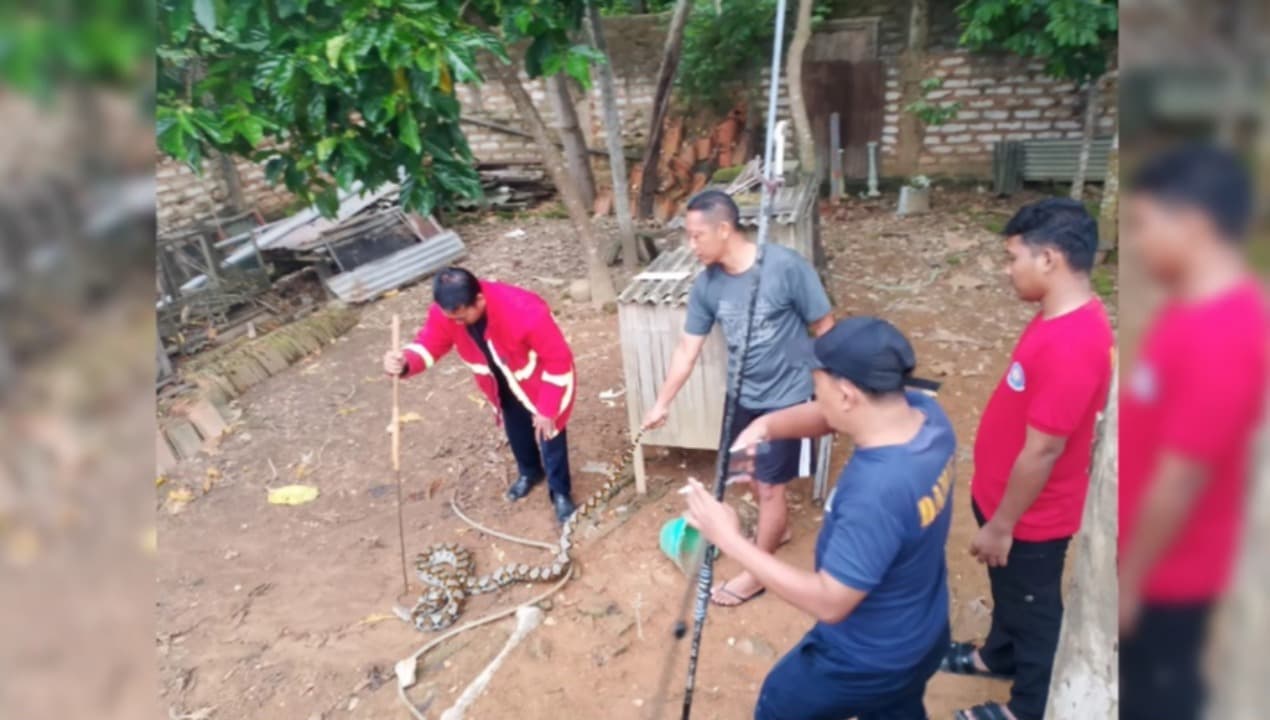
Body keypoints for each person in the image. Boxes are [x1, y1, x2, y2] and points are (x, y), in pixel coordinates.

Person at [682, 316, 955, 720]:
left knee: (780, 703)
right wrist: (766, 425)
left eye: (818, 384)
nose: (814, 391)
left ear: (847, 393)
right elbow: (831, 416)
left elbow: (830, 602)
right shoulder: (924, 415)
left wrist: (730, 540)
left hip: (863, 658)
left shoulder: (876, 492)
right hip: (922, 632)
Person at [940, 198, 1114, 720]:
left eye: (1013, 257)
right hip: (1007, 505)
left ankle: (1029, 706)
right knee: (1009, 591)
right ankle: (997, 654)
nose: (1006, 268)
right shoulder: (1054, 317)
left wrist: (1002, 524)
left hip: (1032, 518)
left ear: (1050, 259)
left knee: (1035, 609)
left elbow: (1045, 448)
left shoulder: (1075, 342)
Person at [1119, 144, 1268, 720]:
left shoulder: (1223, 336)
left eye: (1144, 224)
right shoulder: (1190, 310)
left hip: (1170, 573)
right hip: (1155, 559)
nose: (1137, 242)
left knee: (1159, 694)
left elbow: (1181, 479)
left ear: (1194, 224)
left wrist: (1132, 580)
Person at [643, 189, 833, 607]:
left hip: (787, 402)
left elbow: (824, 326)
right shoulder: (708, 285)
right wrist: (662, 402)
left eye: (696, 236)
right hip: (742, 398)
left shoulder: (785, 268)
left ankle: (757, 574)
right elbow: (686, 349)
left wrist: (824, 386)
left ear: (724, 229)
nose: (690, 245)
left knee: (769, 490)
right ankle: (776, 530)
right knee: (746, 474)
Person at [382, 267, 579, 524]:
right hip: (500, 381)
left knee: (549, 432)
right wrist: (405, 362)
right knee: (517, 430)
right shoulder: (448, 313)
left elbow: (558, 360)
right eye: (450, 318)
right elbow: (430, 343)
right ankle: (530, 472)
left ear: (480, 300)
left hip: (538, 381)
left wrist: (547, 408)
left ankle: (560, 492)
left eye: (462, 318)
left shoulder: (526, 309)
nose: (456, 324)